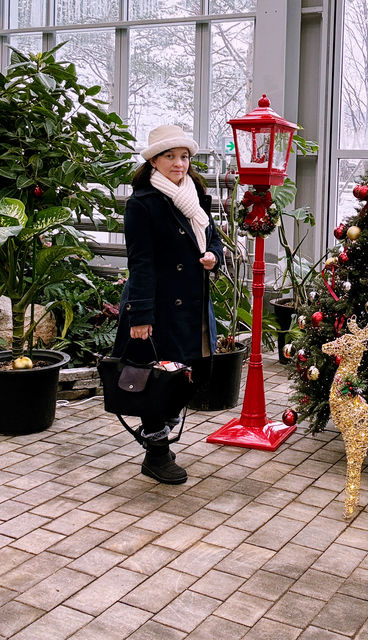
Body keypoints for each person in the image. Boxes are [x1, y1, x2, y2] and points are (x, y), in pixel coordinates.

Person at [112, 125, 224, 484]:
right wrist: (140, 315)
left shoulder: (196, 197)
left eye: (184, 156)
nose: (179, 163)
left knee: (182, 376)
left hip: (192, 304)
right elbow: (140, 262)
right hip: (158, 305)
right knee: (155, 378)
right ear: (154, 161)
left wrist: (213, 257)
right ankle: (157, 453)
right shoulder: (142, 205)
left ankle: (160, 435)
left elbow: (213, 241)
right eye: (170, 156)